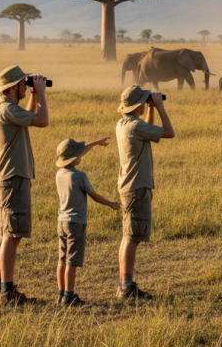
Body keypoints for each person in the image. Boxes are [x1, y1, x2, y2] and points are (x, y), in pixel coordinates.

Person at [0, 66, 49, 305]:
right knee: (12, 235)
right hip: (13, 178)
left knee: (4, 234)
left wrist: (33, 94)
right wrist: (41, 93)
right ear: (15, 87)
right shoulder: (8, 109)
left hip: (7, 178)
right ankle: (7, 292)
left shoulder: (4, 108)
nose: (27, 86)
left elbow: (28, 117)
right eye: (24, 83)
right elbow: (42, 120)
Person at [115, 85, 175, 301]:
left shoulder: (124, 124)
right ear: (137, 105)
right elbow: (169, 132)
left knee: (128, 237)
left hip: (128, 186)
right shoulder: (135, 126)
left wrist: (149, 108)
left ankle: (124, 284)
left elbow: (147, 129)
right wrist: (159, 106)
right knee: (133, 238)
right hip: (137, 187)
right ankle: (127, 287)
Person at [55, 137, 121, 306]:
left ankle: (61, 294)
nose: (81, 155)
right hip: (76, 223)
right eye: (79, 154)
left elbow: (77, 154)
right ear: (74, 158)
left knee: (62, 259)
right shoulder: (80, 176)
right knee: (72, 261)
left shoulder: (59, 174)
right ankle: (69, 297)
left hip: (62, 222)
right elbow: (95, 196)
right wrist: (112, 204)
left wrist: (96, 143)